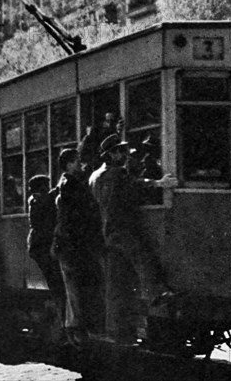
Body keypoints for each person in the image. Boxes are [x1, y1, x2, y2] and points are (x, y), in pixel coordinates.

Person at [89, 134, 177, 343]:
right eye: (121, 151)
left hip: (106, 232)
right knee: (142, 257)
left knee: (116, 283)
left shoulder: (94, 176)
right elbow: (136, 185)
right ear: (111, 154)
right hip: (122, 229)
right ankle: (157, 293)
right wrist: (158, 183)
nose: (125, 155)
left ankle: (117, 330)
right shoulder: (115, 174)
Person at [53, 149, 105, 347]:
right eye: (76, 162)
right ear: (68, 164)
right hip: (70, 245)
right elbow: (75, 215)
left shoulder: (67, 183)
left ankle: (76, 328)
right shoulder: (68, 185)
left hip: (69, 244)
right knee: (75, 287)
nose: (79, 164)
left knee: (76, 286)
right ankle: (75, 329)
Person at [27, 175, 66, 342]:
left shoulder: (38, 198)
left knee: (57, 284)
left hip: (41, 245)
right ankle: (63, 322)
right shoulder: (35, 199)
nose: (47, 188)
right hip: (41, 245)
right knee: (56, 284)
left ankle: (63, 321)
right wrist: (59, 187)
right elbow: (46, 200)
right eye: (45, 185)